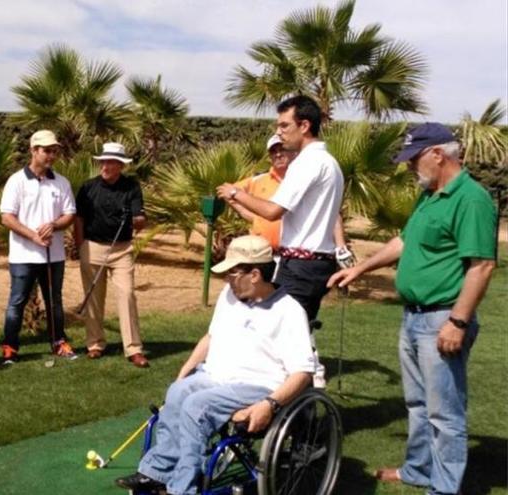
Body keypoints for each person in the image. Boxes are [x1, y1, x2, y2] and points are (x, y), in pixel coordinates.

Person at [328, 123, 496, 495]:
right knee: (418, 403)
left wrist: (457, 321)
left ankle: (444, 487)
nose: (408, 168)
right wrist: (360, 267)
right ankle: (419, 470)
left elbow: (482, 266)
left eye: (413, 159)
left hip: (443, 317)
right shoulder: (430, 194)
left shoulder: (471, 199)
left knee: (445, 412)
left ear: (438, 154)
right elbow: (403, 242)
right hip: (414, 317)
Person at [115, 235, 315, 495]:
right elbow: (211, 337)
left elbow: (303, 373)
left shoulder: (288, 312)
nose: (227, 279)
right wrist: (185, 371)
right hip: (216, 377)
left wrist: (269, 405)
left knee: (195, 406)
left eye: (232, 273)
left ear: (254, 274)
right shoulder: (230, 296)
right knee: (177, 393)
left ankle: (182, 488)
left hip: (258, 386)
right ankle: (157, 473)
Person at [216, 96, 344, 322]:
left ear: (304, 126)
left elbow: (272, 211)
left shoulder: (307, 162)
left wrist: (237, 194)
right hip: (315, 264)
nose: (279, 132)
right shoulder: (328, 162)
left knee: (282, 338)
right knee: (295, 334)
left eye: (284, 125)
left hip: (301, 266)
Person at [0, 130, 78, 364]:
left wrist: (53, 225)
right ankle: (10, 347)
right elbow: (7, 217)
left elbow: (70, 214)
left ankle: (58, 342)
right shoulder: (16, 181)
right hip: (23, 255)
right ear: (34, 151)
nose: (51, 155)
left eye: (54, 151)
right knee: (17, 302)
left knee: (54, 301)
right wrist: (33, 236)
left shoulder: (61, 182)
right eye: (46, 150)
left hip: (54, 256)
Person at [74, 142, 149, 368]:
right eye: (104, 161)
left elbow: (140, 218)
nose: (106, 166)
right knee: (94, 298)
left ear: (120, 166)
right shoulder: (88, 187)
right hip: (92, 247)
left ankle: (133, 349)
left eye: (112, 162)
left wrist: (139, 221)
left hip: (122, 249)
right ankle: (95, 344)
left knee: (126, 294)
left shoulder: (131, 187)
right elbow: (78, 218)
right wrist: (80, 246)